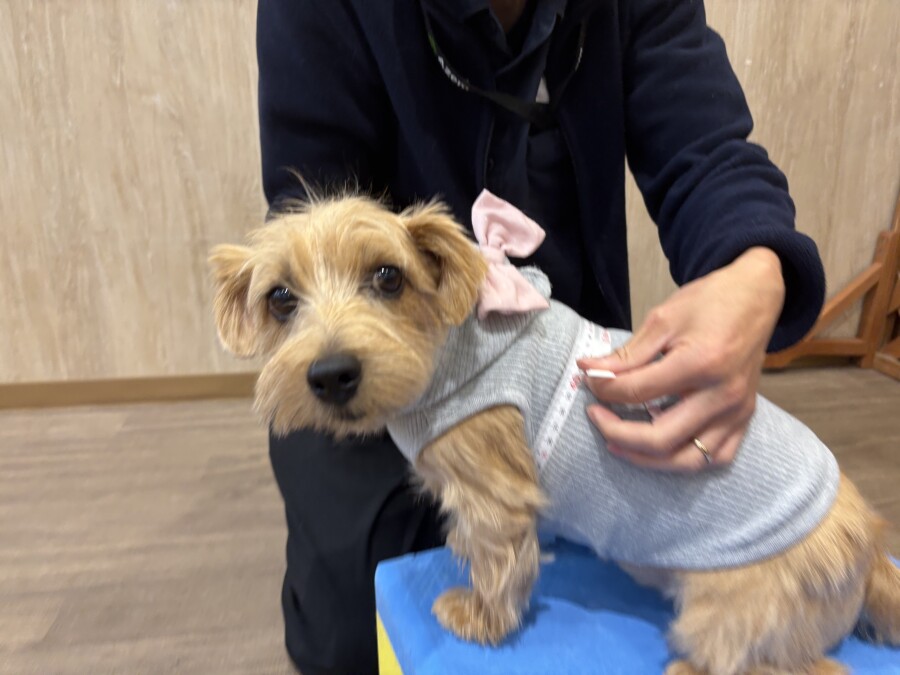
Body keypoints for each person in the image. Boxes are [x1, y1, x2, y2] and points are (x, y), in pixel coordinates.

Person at [255, 0, 826, 672]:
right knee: (350, 628)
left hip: (551, 343)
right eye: (282, 301)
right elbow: (309, 215)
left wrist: (755, 268)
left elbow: (707, 148)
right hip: (393, 366)